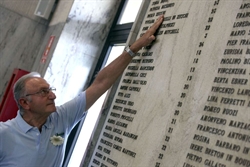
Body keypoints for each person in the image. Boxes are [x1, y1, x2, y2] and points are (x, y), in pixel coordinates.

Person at [0, 15, 164, 166]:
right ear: (24, 102)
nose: (53, 95)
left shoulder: (60, 118)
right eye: (43, 92)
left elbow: (101, 83)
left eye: (50, 89)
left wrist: (134, 48)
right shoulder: (4, 134)